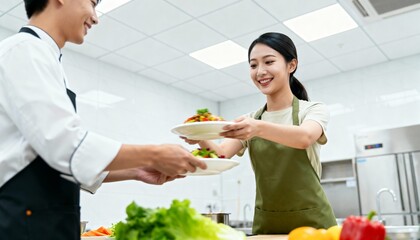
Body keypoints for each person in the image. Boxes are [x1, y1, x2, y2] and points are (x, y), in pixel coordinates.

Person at [0, 0, 206, 239]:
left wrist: (136, 170)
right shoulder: (24, 50)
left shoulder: (44, 57)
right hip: (24, 223)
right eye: (92, 2)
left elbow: (55, 159)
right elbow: (65, 145)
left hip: (43, 219)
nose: (96, 18)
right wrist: (154, 154)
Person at [182, 32, 336, 234]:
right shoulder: (252, 119)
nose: (260, 71)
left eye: (269, 62)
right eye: (253, 65)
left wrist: (257, 128)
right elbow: (220, 154)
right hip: (268, 223)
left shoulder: (313, 110)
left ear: (292, 65)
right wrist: (200, 135)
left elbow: (304, 138)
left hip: (314, 224)